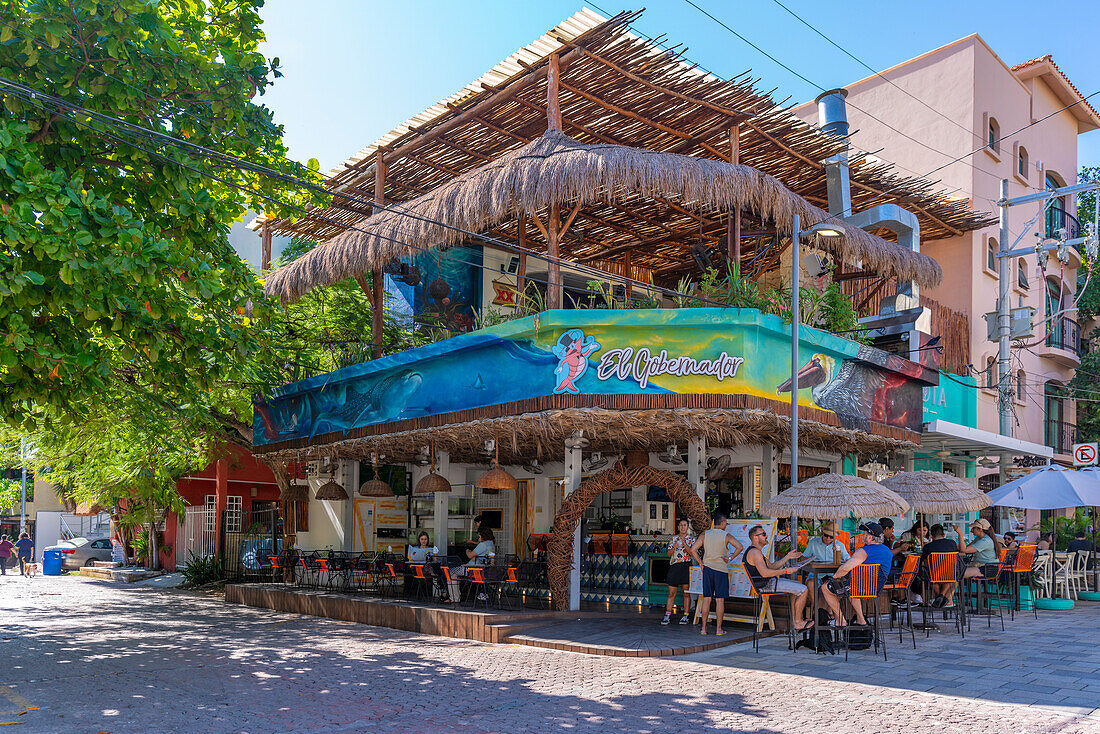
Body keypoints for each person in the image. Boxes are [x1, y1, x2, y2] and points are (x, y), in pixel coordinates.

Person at [819, 522, 893, 627]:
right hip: (876, 588)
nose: (863, 535)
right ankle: (861, 619)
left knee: (826, 587)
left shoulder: (864, 551)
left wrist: (834, 577)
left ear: (870, 537)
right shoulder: (888, 551)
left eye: (864, 534)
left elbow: (845, 568)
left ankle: (840, 620)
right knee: (851, 586)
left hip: (858, 587)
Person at [742, 524, 811, 631]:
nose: (766, 536)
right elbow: (765, 573)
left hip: (768, 582)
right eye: (763, 534)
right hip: (766, 585)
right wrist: (787, 570)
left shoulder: (756, 551)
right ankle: (798, 622)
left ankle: (796, 620)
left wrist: (788, 557)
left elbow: (772, 566)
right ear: (756, 537)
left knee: (796, 589)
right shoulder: (755, 552)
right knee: (804, 590)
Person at [688, 512, 744, 637]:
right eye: (726, 523)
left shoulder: (705, 534)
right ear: (723, 523)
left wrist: (701, 563)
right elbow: (739, 547)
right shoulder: (726, 535)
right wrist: (730, 558)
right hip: (721, 570)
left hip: (707, 569)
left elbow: (692, 550)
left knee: (706, 599)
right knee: (719, 600)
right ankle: (718, 629)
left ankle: (703, 628)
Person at [662, 518, 696, 625]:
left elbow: (692, 553)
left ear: (687, 527)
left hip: (686, 566)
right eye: (681, 525)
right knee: (671, 593)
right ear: (678, 527)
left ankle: (686, 615)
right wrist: (674, 547)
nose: (682, 527)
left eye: (685, 525)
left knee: (686, 593)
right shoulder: (673, 539)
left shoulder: (691, 539)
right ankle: (667, 615)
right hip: (675, 566)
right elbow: (668, 553)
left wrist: (684, 543)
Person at [447, 527, 496, 601]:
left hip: (472, 569)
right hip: (482, 569)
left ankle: (454, 598)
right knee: (456, 574)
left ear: (483, 535)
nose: (478, 537)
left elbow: (470, 556)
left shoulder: (483, 544)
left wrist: (467, 551)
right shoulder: (491, 544)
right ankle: (456, 596)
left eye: (479, 535)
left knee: (451, 572)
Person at [920, 524, 960, 608]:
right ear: (944, 535)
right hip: (950, 574)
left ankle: (939, 598)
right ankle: (944, 598)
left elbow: (923, 560)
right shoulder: (952, 543)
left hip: (933, 575)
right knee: (953, 578)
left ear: (931, 536)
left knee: (929, 577)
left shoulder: (927, 547)